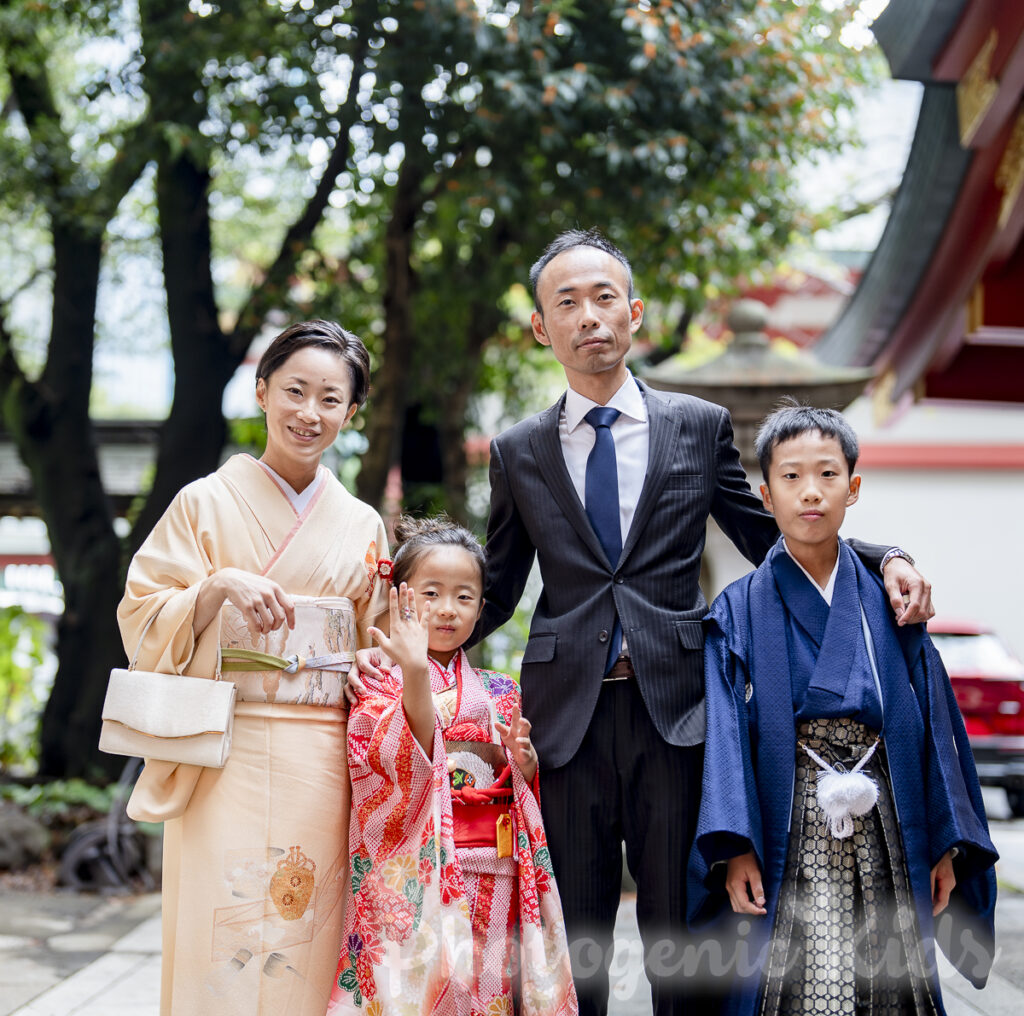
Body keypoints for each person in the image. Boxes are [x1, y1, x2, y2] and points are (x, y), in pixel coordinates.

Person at [470, 230, 934, 1016]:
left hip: (680, 714)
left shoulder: (697, 424)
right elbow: (500, 583)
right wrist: (414, 643)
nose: (590, 316)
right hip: (562, 721)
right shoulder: (517, 450)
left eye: (604, 297)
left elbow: (771, 535)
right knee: (570, 933)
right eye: (567, 303)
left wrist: (883, 554)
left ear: (635, 312)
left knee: (681, 936)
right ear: (542, 329)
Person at [117, 320, 391, 1016]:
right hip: (222, 750)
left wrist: (366, 659)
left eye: (331, 399)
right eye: (295, 391)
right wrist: (213, 589)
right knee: (221, 922)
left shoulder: (361, 523)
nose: (310, 412)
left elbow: (381, 638)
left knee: (308, 923)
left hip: (321, 755)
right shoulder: (203, 502)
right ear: (263, 392)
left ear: (351, 412)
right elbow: (141, 613)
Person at [688, 403, 997, 1016]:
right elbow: (725, 733)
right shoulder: (739, 607)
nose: (811, 492)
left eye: (828, 475)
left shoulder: (891, 599)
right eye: (792, 476)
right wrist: (736, 847)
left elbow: (933, 724)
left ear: (853, 489)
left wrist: (942, 842)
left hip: (887, 817)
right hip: (789, 815)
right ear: (765, 493)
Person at [328, 516, 577, 1016]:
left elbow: (519, 790)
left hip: (495, 870)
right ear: (401, 598)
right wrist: (415, 672)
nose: (447, 609)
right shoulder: (378, 680)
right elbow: (392, 764)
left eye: (464, 597)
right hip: (420, 876)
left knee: (490, 993)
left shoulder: (500, 689)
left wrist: (525, 768)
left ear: (482, 608)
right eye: (431, 593)